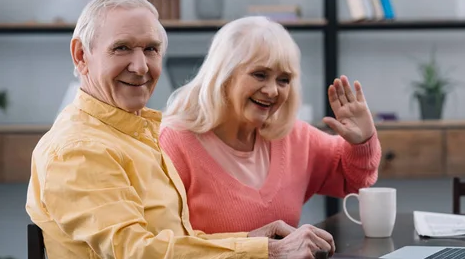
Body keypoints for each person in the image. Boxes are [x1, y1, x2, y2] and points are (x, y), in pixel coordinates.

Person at [25, 0, 335, 259]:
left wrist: (253, 240)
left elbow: (173, 243)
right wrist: (268, 254)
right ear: (82, 55)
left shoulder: (140, 134)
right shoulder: (79, 149)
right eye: (122, 48)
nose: (141, 66)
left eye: (151, 49)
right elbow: (137, 256)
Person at [159, 16, 382, 236]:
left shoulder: (293, 136)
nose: (272, 91)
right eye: (260, 75)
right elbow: (164, 246)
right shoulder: (174, 141)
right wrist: (254, 249)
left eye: (283, 80)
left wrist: (362, 140)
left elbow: (353, 178)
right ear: (224, 75)